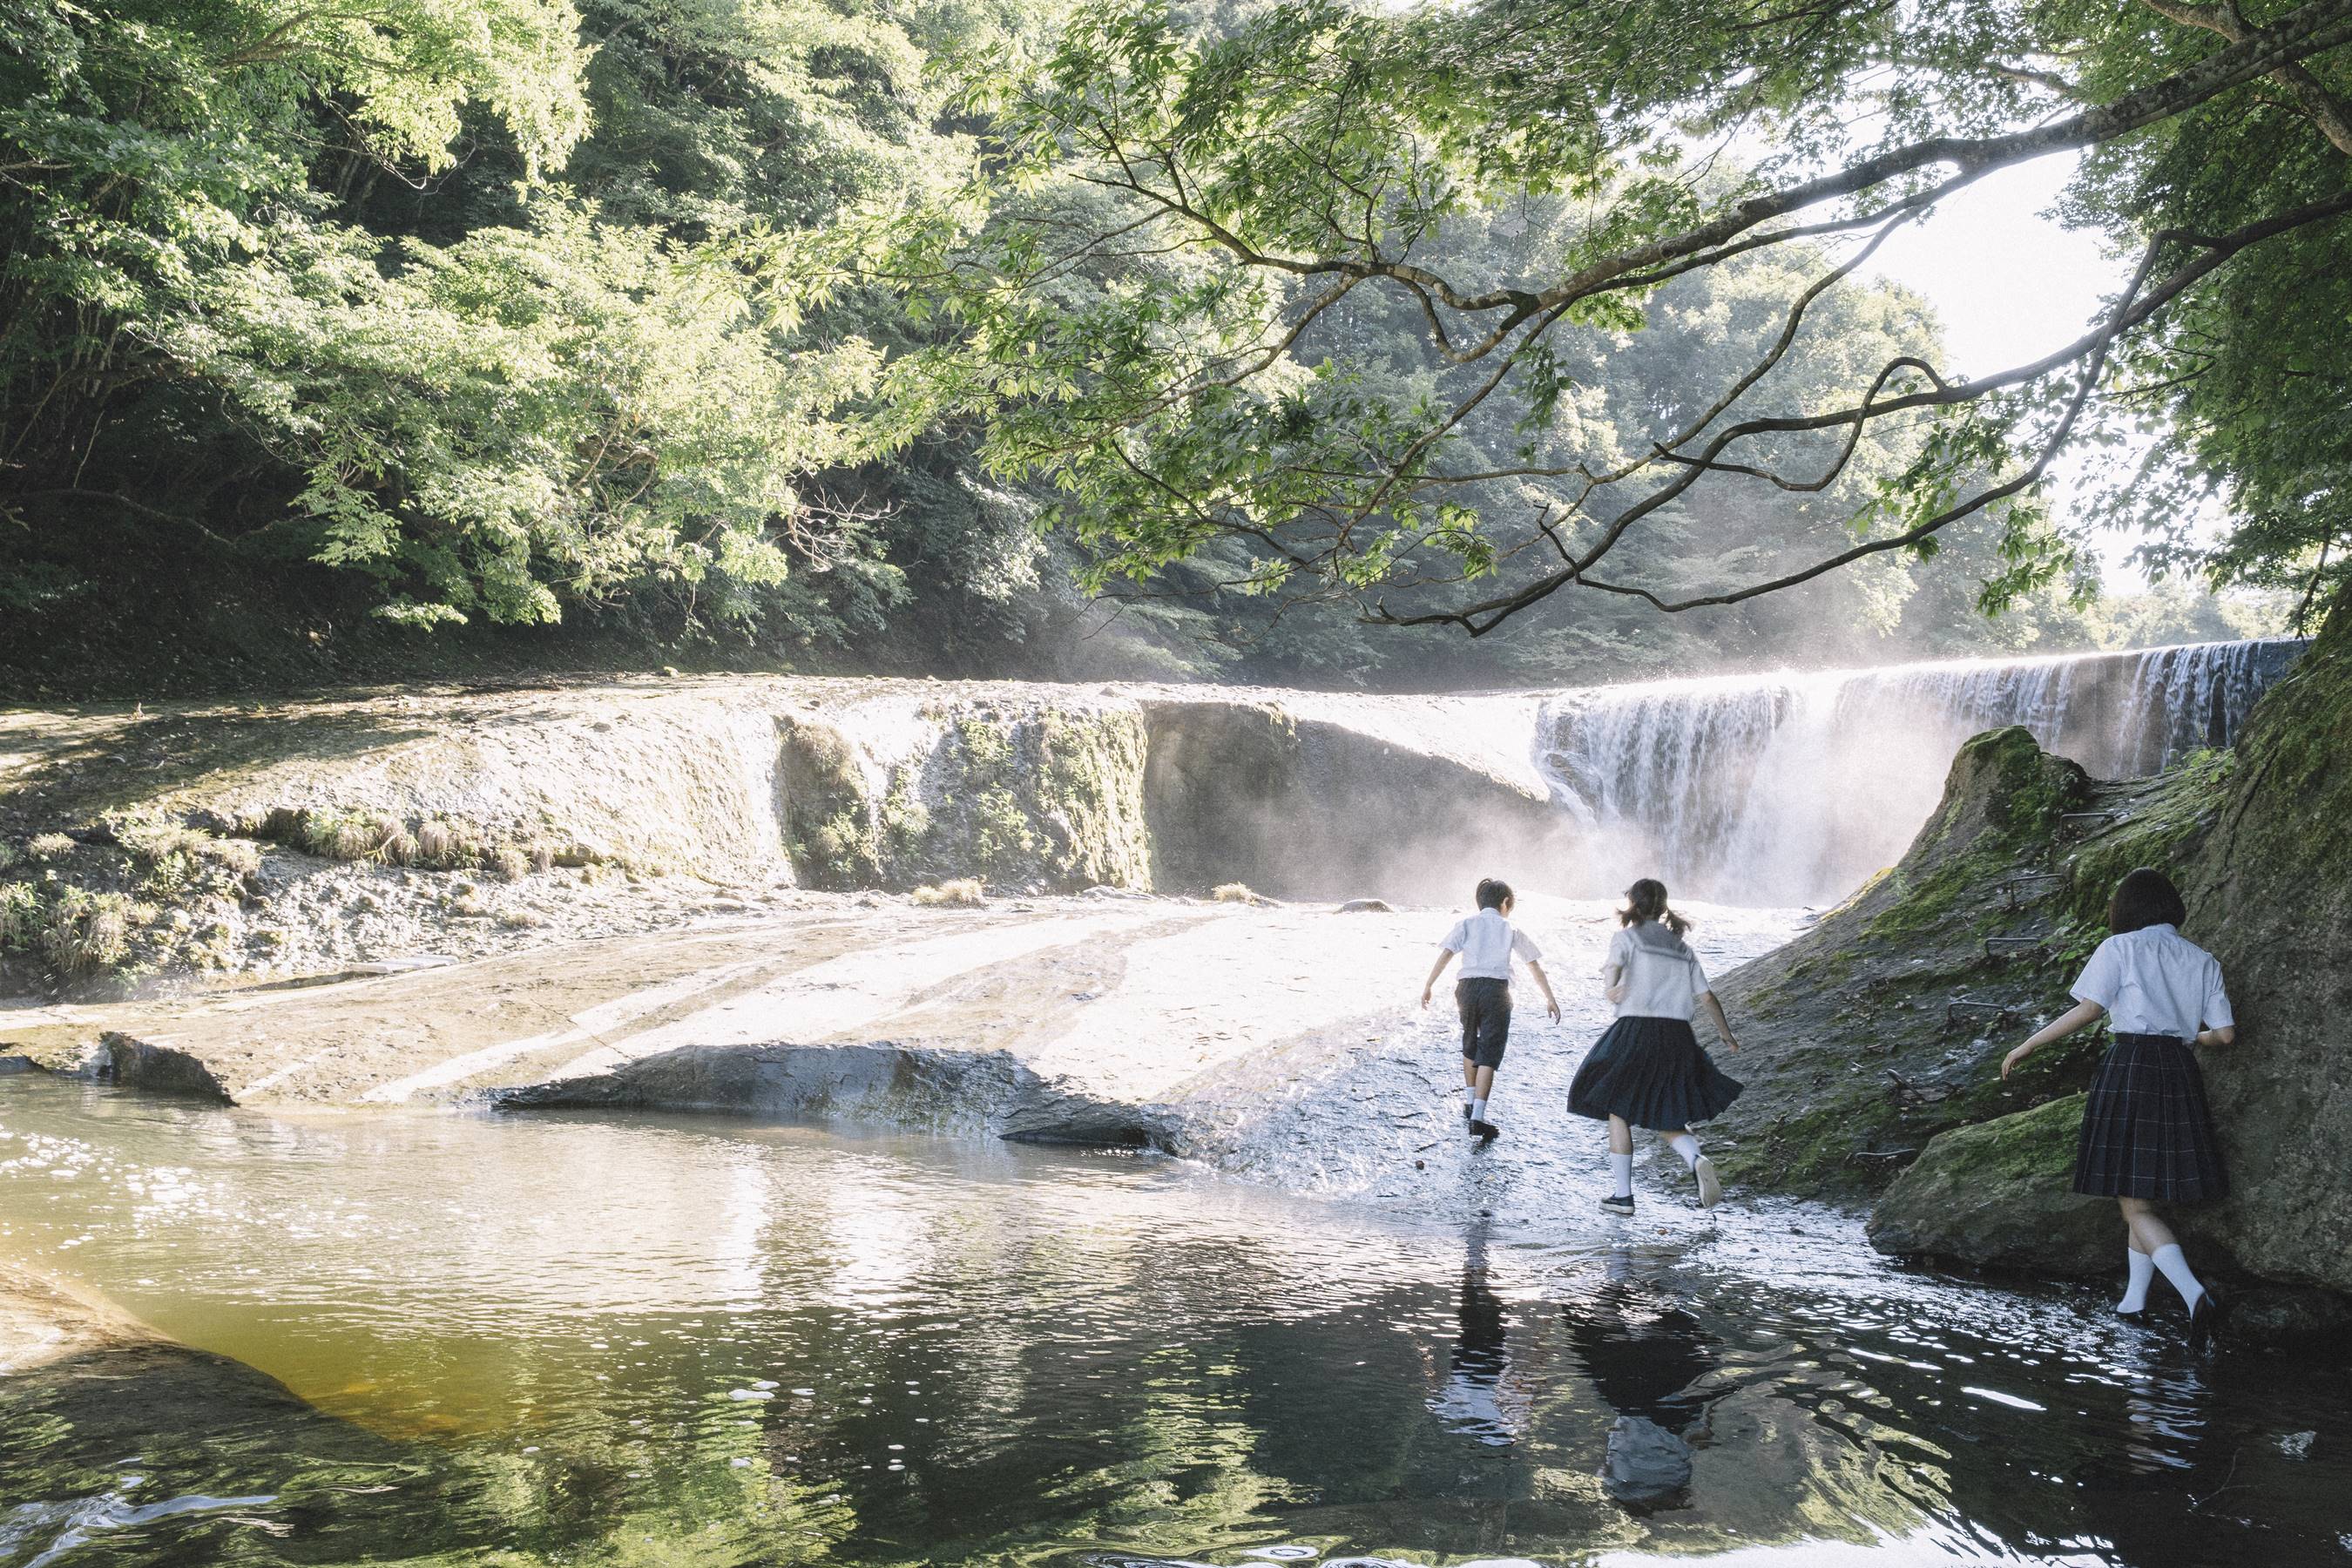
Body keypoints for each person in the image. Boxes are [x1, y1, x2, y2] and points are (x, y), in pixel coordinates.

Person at [2000, 867, 2235, 1347]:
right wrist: (2188, 1035)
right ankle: (2134, 1301)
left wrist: (2028, 1044)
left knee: (2132, 1203)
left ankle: (2195, 1295)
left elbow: (2090, 1009)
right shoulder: (2202, 958)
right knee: (2139, 1193)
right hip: (2179, 1070)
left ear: (2127, 908)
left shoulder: (2120, 948)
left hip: (2131, 1065)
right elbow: (2225, 1035)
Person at [1569, 879, 1743, 1212]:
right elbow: (1707, 996)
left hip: (1636, 1029)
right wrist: (1726, 1034)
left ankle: (1624, 1195)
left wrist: (1611, 989)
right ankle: (1695, 1159)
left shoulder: (1626, 939)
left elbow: (1612, 975)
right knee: (1663, 1109)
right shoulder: (1681, 948)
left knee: (1616, 1105)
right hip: (1678, 1036)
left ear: (1633, 904)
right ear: (1663, 908)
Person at [1421, 877, 1561, 1141]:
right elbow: (1534, 965)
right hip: (1497, 991)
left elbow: (1446, 954)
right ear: (1506, 903)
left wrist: (1429, 984)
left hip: (1466, 988)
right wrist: (1550, 998)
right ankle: (1478, 1118)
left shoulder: (1465, 923)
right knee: (1490, 1051)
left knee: (1469, 1040)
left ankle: (1470, 1101)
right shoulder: (1510, 929)